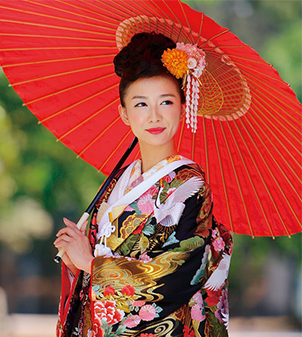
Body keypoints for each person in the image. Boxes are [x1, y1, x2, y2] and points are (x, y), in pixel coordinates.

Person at [54, 32, 233, 337]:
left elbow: (180, 274)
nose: (154, 116)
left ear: (182, 105)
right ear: (124, 112)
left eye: (166, 101)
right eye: (140, 104)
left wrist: (92, 265)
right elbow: (92, 268)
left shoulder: (189, 184)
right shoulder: (118, 181)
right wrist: (75, 263)